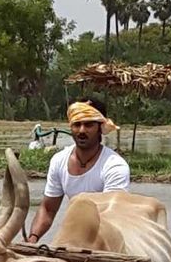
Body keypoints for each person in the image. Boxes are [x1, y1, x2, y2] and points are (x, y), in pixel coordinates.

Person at [27, 97, 130, 244]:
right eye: (77, 124)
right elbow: (48, 209)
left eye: (88, 125)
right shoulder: (59, 160)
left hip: (107, 237)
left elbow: (111, 217)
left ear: (100, 128)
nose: (81, 130)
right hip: (75, 234)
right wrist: (33, 238)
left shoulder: (115, 166)